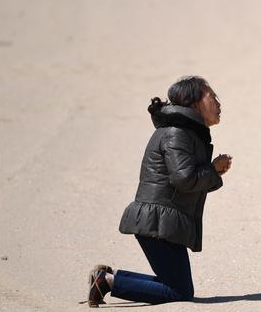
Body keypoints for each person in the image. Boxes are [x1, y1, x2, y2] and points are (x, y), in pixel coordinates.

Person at [87, 76, 232, 307]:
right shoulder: (178, 133)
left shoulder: (187, 132)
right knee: (179, 291)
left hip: (165, 221)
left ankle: (107, 278)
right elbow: (183, 179)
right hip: (158, 222)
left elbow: (186, 178)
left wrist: (212, 172)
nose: (218, 102)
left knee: (174, 285)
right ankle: (107, 281)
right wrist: (212, 169)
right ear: (193, 103)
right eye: (211, 96)